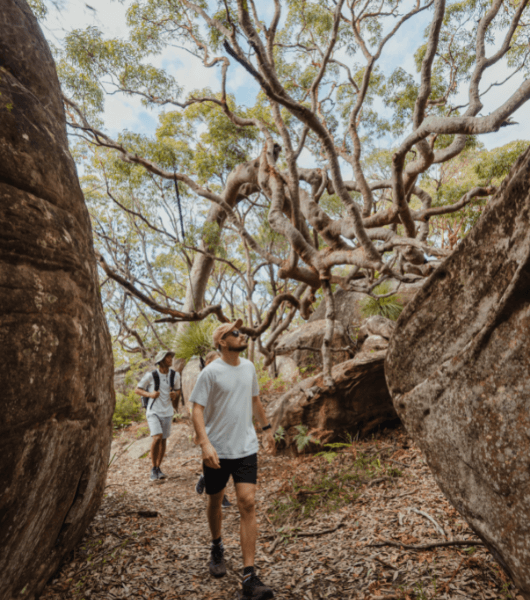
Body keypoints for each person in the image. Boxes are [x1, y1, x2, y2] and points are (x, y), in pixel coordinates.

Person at [190, 319, 275, 600]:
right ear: (222, 342)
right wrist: (205, 444)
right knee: (215, 500)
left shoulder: (249, 367)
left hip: (246, 448)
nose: (241, 335)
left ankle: (249, 576)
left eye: (241, 331)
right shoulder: (210, 373)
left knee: (247, 503)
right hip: (217, 451)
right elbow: (197, 409)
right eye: (234, 333)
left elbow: (254, 401)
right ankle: (216, 546)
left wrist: (266, 430)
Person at [135, 350, 181, 481]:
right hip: (153, 411)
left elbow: (178, 390)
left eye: (171, 356)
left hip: (168, 412)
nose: (171, 358)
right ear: (160, 360)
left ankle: (158, 468)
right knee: (157, 437)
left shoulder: (175, 375)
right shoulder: (151, 375)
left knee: (164, 439)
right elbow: (137, 389)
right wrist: (150, 395)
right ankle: (153, 468)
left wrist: (175, 395)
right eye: (167, 357)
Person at [194, 351, 231, 508]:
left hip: (226, 426)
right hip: (209, 428)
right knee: (216, 460)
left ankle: (204, 477)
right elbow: (196, 408)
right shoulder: (202, 379)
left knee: (227, 460)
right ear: (207, 363)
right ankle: (221, 495)